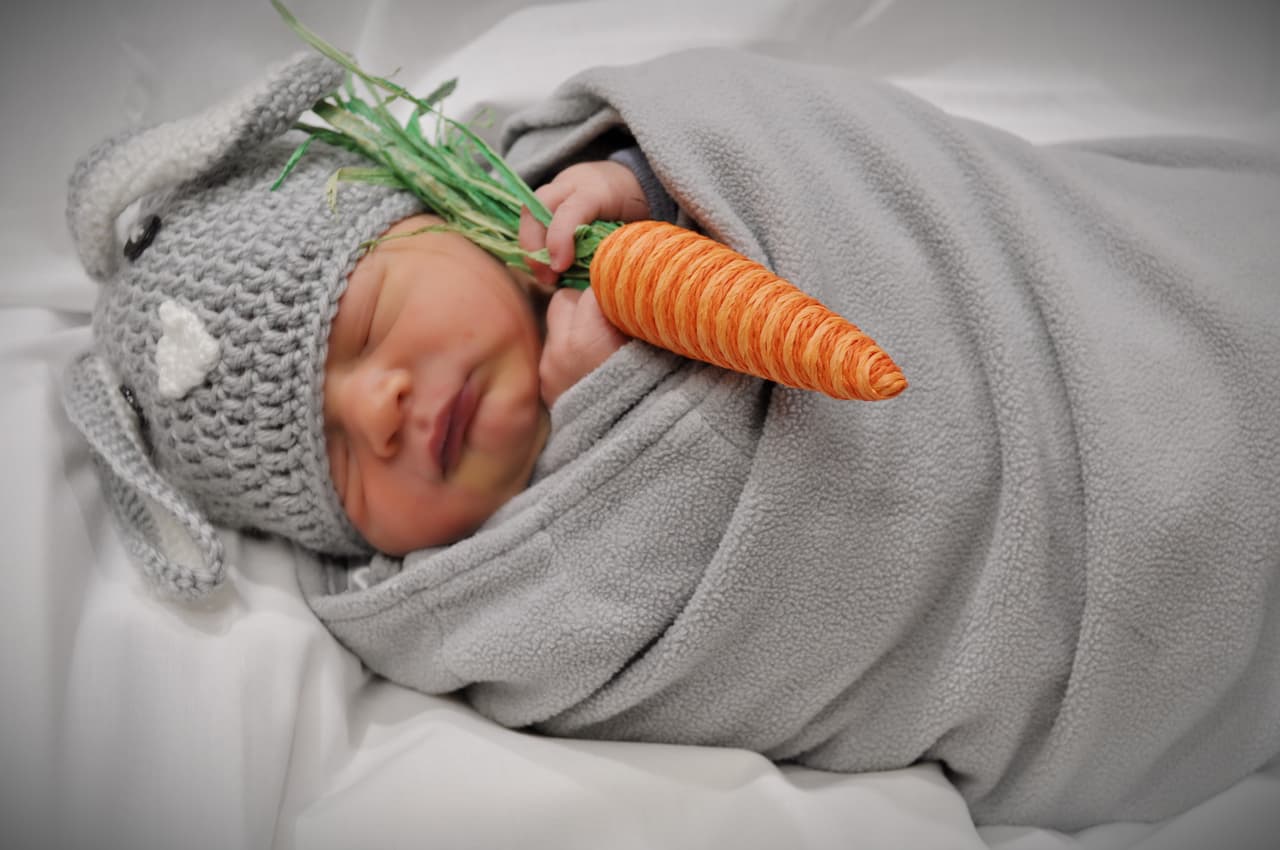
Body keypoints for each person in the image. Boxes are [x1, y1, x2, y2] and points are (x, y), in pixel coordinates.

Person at [64, 48, 1280, 831]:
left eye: (367, 321)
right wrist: (617, 434)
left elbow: (809, 148)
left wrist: (647, 186)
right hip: (1107, 629)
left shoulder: (582, 173)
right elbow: (766, 632)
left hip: (1090, 315)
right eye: (334, 461)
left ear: (451, 217)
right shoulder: (490, 623)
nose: (377, 404)